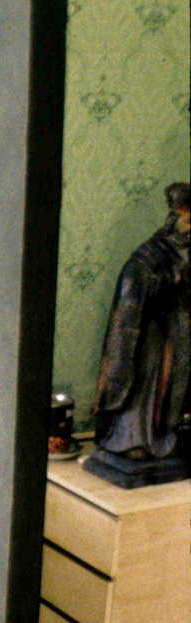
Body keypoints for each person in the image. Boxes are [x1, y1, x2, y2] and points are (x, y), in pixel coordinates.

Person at [92, 181, 190, 464]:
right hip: (147, 334)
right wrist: (171, 280)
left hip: (174, 333)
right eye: (188, 221)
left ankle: (161, 435)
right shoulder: (152, 252)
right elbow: (135, 284)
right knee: (142, 384)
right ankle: (131, 439)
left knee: (169, 385)